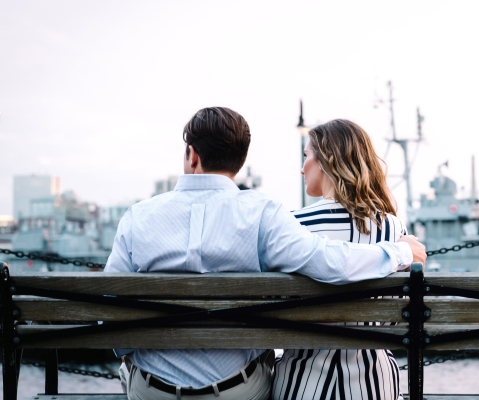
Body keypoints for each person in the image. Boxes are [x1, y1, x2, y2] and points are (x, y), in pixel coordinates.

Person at [105, 107, 427, 400]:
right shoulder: (263, 215)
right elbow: (329, 262)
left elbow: (111, 319)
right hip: (239, 390)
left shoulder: (138, 216)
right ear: (240, 161)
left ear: (192, 155)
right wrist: (398, 252)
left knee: (128, 370)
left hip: (154, 390)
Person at [273, 119, 420, 400]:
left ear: (326, 160)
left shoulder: (292, 225)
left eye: (306, 157)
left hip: (300, 383)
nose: (302, 167)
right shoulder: (392, 229)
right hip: (376, 385)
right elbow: (395, 318)